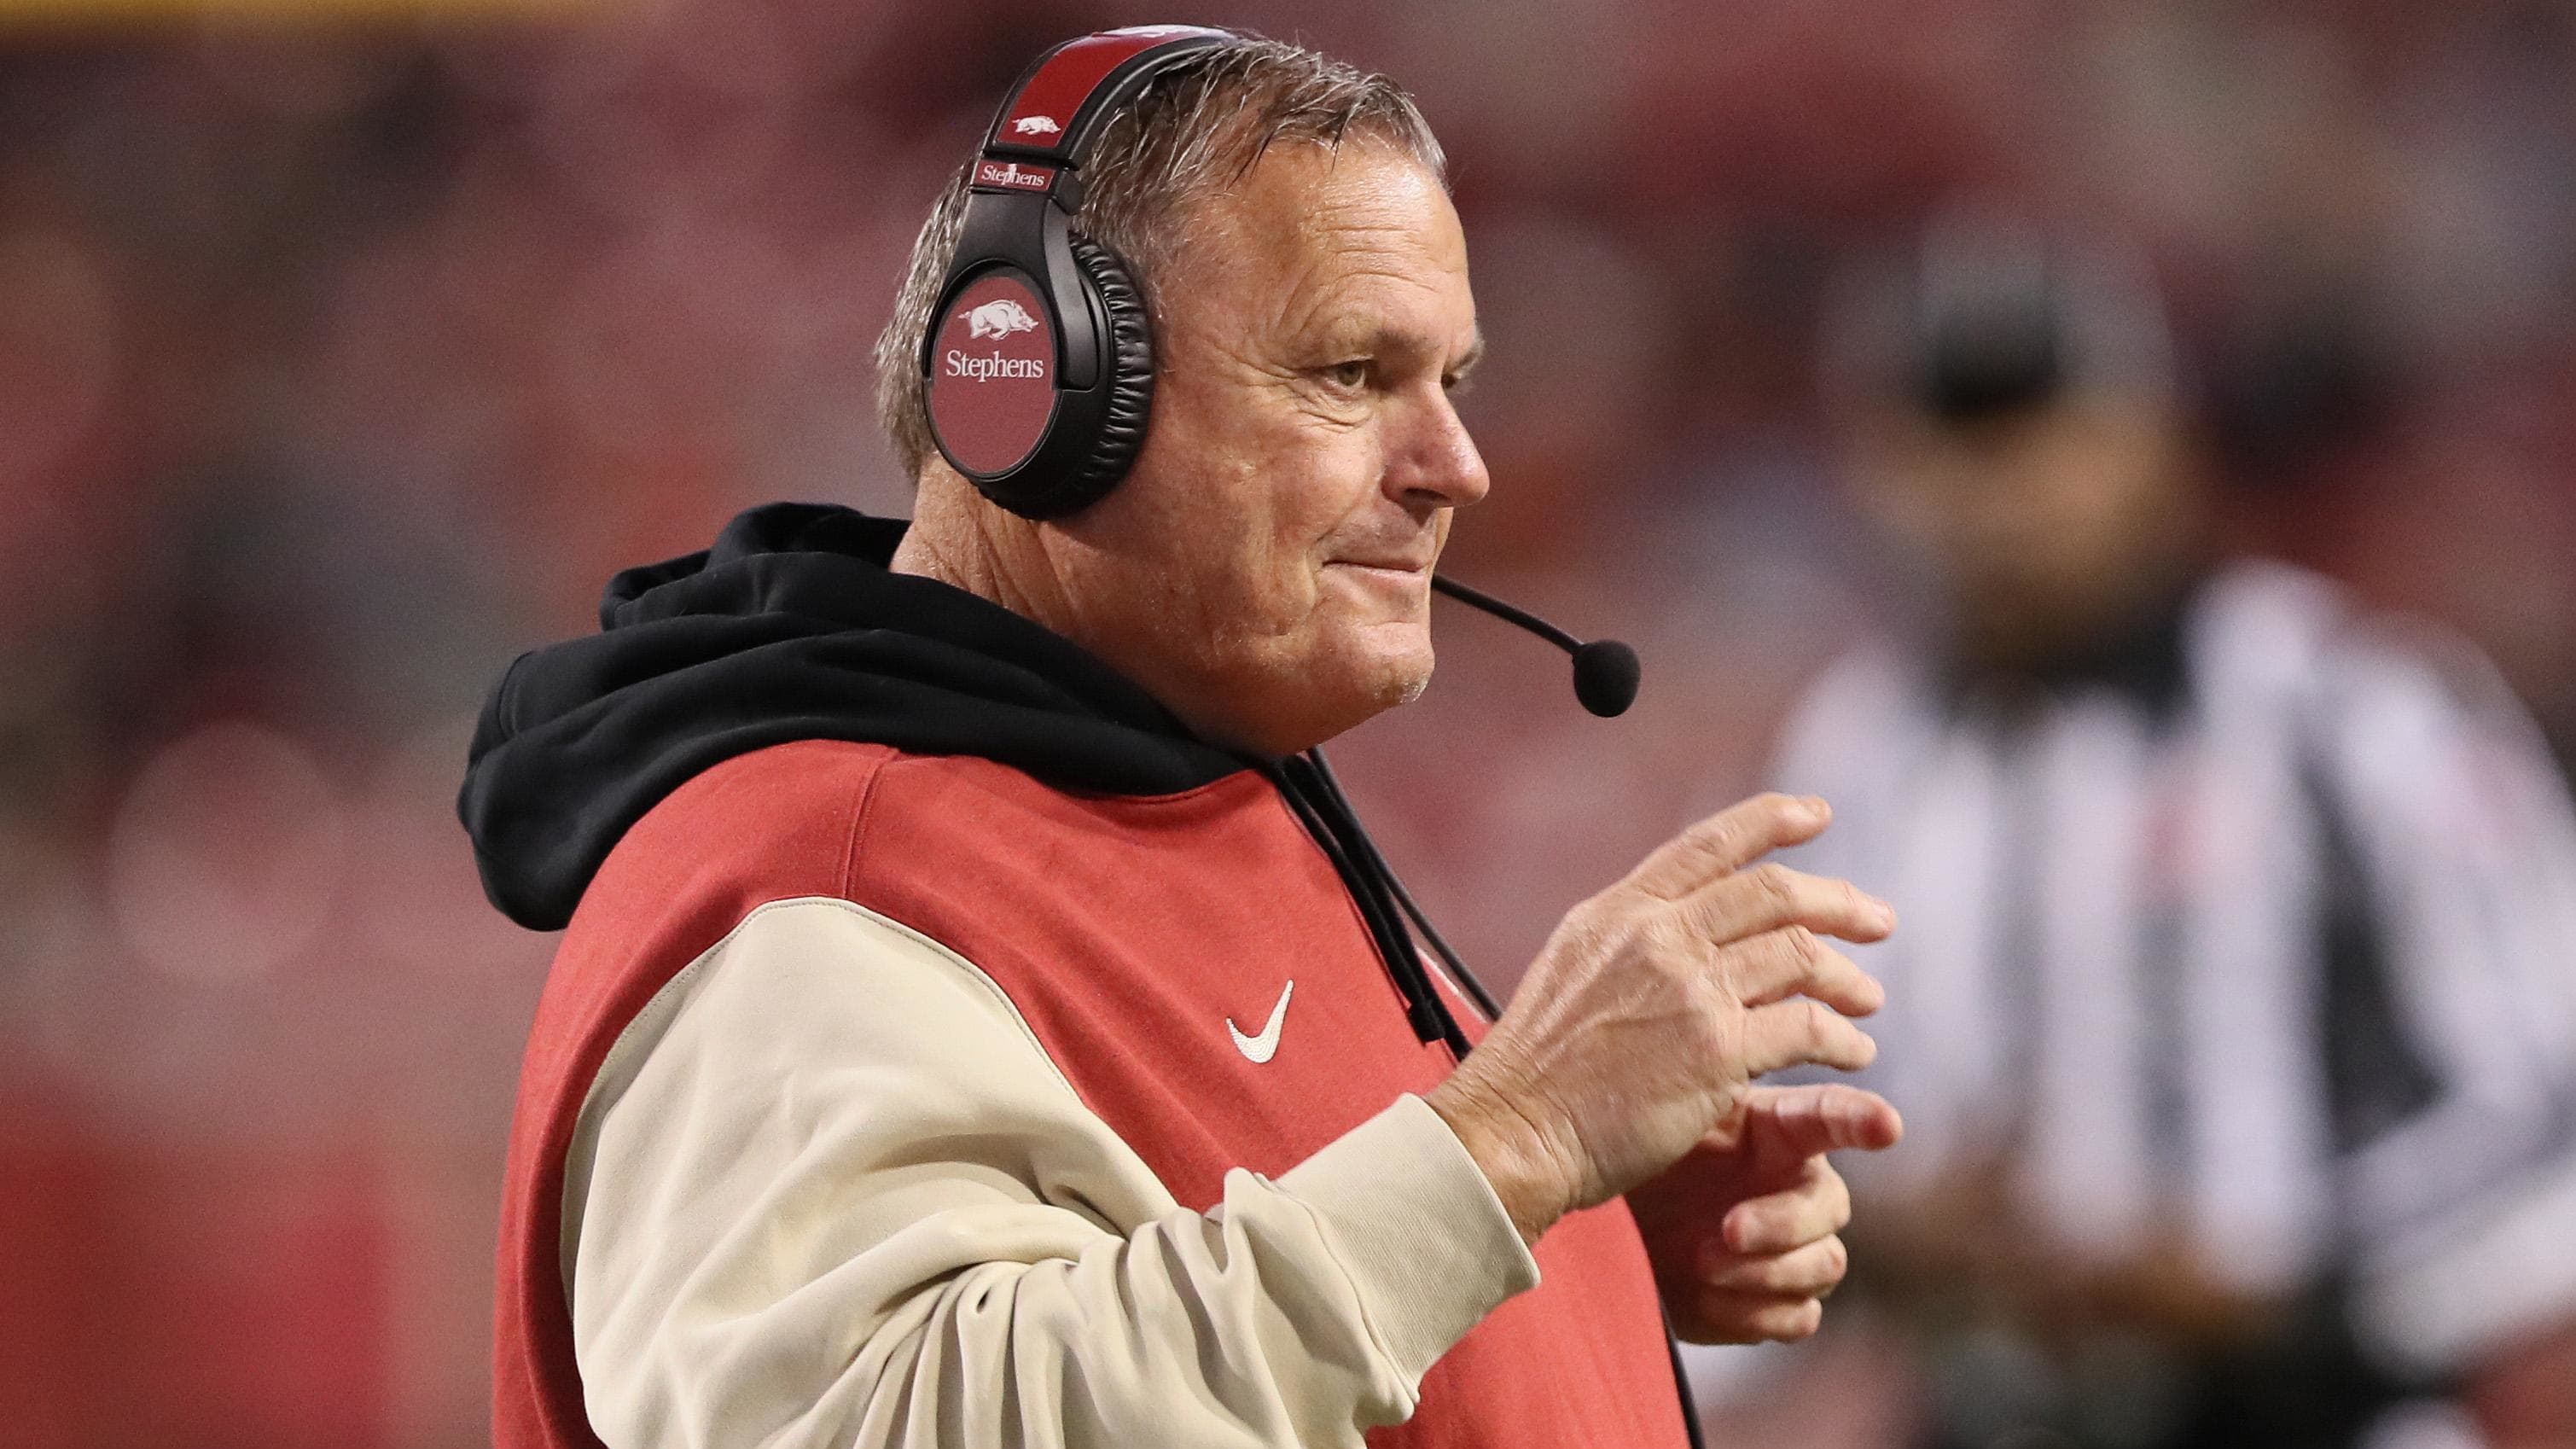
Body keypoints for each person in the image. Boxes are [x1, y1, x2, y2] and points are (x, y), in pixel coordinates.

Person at [459, 29, 1904, 1449]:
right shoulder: (830, 883)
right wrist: (1515, 1148)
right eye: (1350, 372)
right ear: (1032, 388)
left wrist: (1569, 1250)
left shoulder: (1173, 779)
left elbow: (1204, 1272)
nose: (1456, 465)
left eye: (1449, 381)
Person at [1759, 211, 2576, 1449]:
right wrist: (1887, 1226)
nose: (1997, 496)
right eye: (1952, 440)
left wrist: (2276, 1286)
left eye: (2040, 432)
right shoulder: (1854, 743)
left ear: (2152, 436)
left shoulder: (2351, 709)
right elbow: (1783, 1102)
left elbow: (2537, 1101)